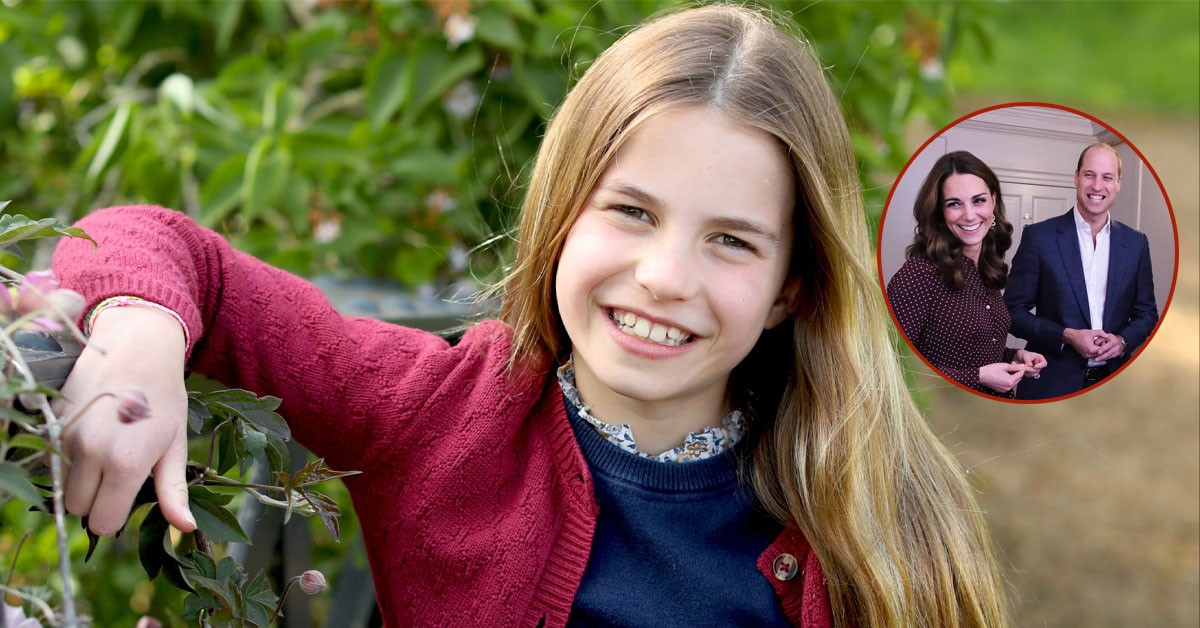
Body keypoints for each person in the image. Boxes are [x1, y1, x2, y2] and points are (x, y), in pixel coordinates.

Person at [51, 6, 1009, 626]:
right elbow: (150, 241)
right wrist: (138, 331)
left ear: (791, 289)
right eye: (631, 211)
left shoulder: (868, 508)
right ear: (562, 214)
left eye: (731, 241)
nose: (664, 275)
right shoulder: (437, 411)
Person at [1004, 143, 1158, 400]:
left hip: (1116, 388)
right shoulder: (1040, 238)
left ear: (1118, 183)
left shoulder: (1136, 243)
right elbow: (1011, 312)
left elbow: (1147, 313)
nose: (1097, 186)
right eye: (1089, 175)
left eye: (1107, 177)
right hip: (1051, 385)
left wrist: (1122, 341)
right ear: (1076, 177)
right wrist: (1067, 335)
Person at [887, 151, 1046, 398]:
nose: (969, 215)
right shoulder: (919, 274)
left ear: (993, 201)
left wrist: (1014, 356)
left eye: (978, 200)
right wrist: (979, 377)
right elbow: (892, 368)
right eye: (954, 204)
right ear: (940, 212)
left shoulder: (987, 269)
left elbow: (972, 350)